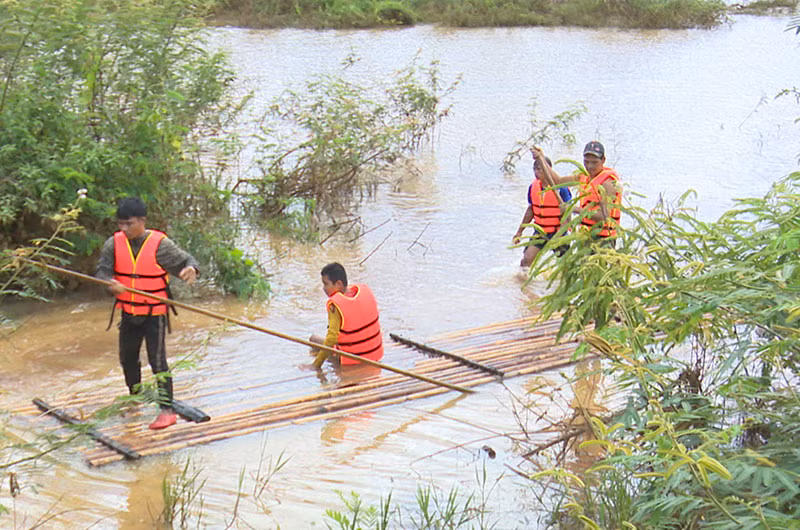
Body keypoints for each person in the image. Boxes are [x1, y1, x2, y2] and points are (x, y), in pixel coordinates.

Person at [95, 197, 199, 430]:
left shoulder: (160, 245)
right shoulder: (113, 243)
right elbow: (101, 271)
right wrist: (110, 282)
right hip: (129, 312)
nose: (124, 229)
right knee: (128, 358)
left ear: (142, 221)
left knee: (158, 361)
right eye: (120, 224)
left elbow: (186, 261)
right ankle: (135, 397)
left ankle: (166, 410)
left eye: (129, 224)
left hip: (154, 313)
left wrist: (191, 270)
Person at [532, 141, 622, 242]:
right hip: (585, 236)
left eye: (594, 162)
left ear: (603, 160)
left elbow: (604, 216)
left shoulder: (608, 183)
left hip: (604, 239)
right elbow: (558, 181)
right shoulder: (583, 176)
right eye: (587, 162)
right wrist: (541, 159)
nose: (590, 166)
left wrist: (573, 209)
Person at [310, 262, 384, 369]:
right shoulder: (364, 290)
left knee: (313, 339)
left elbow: (331, 338)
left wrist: (316, 365)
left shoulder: (335, 305)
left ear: (338, 284)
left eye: (326, 284)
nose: (323, 288)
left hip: (352, 357)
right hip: (374, 353)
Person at [512, 154, 573, 267]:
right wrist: (520, 231)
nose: (536, 172)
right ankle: (524, 283)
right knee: (526, 261)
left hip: (558, 231)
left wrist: (562, 232)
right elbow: (531, 210)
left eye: (540, 169)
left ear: (548, 169)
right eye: (535, 169)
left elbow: (568, 211)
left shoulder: (561, 188)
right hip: (540, 231)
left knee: (565, 265)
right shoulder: (533, 187)